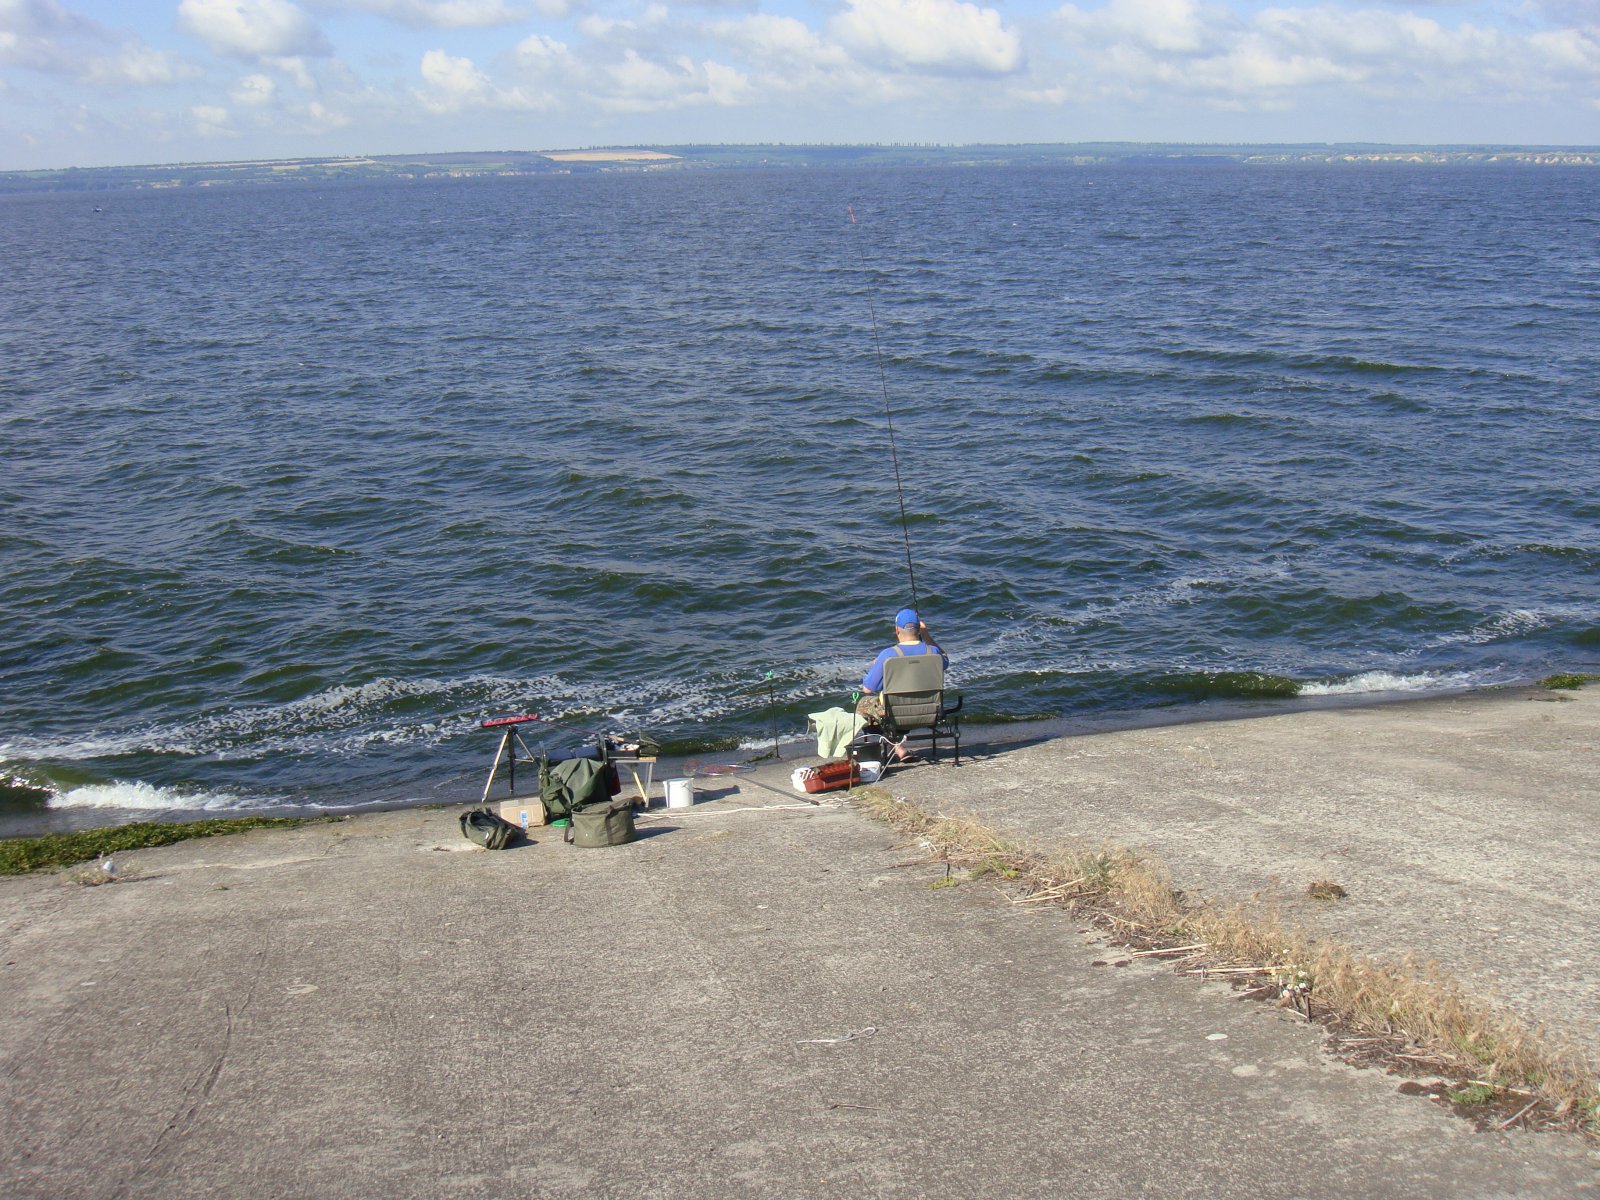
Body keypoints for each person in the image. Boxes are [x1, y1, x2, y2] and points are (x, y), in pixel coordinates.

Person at [856, 607, 948, 725]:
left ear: (897, 630)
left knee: (863, 703)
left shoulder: (887, 655)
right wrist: (926, 636)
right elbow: (945, 659)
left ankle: (886, 736)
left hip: (894, 715)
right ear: (919, 630)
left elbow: (868, 689)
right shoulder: (933, 652)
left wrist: (877, 664)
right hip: (929, 712)